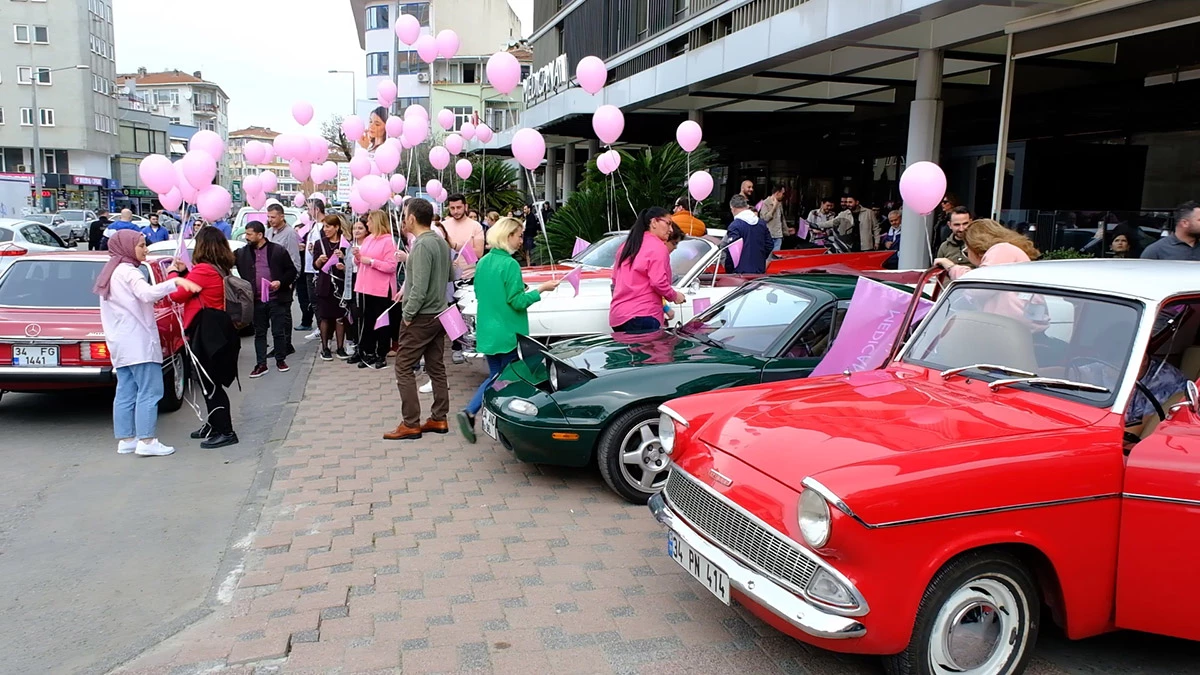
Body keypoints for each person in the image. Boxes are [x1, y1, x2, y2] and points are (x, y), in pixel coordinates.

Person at [94, 230, 200, 457]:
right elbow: (148, 294)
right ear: (127, 247)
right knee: (150, 391)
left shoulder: (111, 272)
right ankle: (147, 440)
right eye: (141, 245)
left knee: (126, 391)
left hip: (121, 343)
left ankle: (127, 438)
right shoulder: (130, 273)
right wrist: (176, 282)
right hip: (138, 342)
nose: (146, 249)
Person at [456, 217, 560, 442]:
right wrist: (541, 289)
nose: (521, 240)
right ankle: (473, 412)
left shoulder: (483, 261)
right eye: (518, 235)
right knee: (504, 379)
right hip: (508, 332)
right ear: (507, 236)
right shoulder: (510, 264)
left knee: (497, 377)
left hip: (488, 330)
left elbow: (485, 291)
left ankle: (487, 418)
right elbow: (517, 302)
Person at [385, 198, 453, 441]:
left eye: (405, 214)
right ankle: (439, 417)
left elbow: (419, 288)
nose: (403, 219)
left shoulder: (423, 245)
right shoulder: (440, 242)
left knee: (403, 367)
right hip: (439, 313)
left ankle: (411, 423)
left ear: (412, 217)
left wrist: (408, 315)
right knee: (436, 366)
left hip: (422, 315)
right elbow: (450, 275)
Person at [167, 226, 241, 449]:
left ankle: (226, 431)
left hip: (206, 329)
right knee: (209, 380)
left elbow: (177, 294)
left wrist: (172, 273)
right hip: (218, 327)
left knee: (210, 383)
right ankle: (213, 424)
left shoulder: (203, 270)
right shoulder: (219, 268)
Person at [235, 221, 298, 378]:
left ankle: (280, 360)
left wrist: (280, 282)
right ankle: (261, 364)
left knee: (278, 331)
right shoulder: (242, 253)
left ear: (260, 235)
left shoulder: (277, 251)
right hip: (256, 300)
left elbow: (292, 271)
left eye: (249, 234)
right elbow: (225, 260)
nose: (246, 237)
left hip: (276, 298)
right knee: (260, 333)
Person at [609, 207, 685, 334]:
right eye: (668, 223)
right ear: (654, 222)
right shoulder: (658, 247)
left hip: (618, 316)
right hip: (644, 315)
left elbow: (615, 281)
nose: (671, 230)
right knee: (653, 354)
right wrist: (674, 296)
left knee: (628, 353)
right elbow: (658, 282)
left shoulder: (627, 246)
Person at [351, 210, 399, 369]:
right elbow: (361, 262)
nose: (367, 224)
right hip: (366, 286)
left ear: (377, 222)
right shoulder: (369, 239)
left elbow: (391, 266)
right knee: (368, 320)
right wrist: (357, 257)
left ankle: (381, 353)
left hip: (382, 288)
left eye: (370, 221)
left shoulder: (388, 241)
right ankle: (369, 351)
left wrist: (371, 261)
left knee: (382, 322)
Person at [442, 194, 484, 364]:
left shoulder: (475, 226)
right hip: (449, 277)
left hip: (470, 276)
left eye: (459, 207)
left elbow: (479, 253)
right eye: (452, 208)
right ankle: (456, 347)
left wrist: (455, 245)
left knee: (469, 313)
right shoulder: (443, 225)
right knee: (451, 313)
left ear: (465, 206)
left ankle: (472, 343)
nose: (456, 211)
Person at [263, 205, 302, 344]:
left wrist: (290, 280)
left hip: (285, 279)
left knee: (284, 313)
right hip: (270, 280)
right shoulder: (268, 232)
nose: (270, 220)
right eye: (268, 217)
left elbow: (295, 260)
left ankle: (286, 343)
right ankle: (278, 344)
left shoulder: (290, 233)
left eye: (273, 217)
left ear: (282, 216)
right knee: (273, 314)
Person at [312, 214, 349, 361]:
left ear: (337, 227)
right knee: (325, 317)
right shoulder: (319, 243)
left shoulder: (345, 244)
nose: (325, 229)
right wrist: (320, 261)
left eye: (328, 226)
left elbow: (351, 265)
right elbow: (315, 266)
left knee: (340, 317)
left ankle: (340, 347)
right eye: (324, 227)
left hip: (340, 284)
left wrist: (344, 260)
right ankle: (325, 348)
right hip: (324, 284)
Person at [296, 200, 327, 334]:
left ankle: (323, 329)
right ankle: (321, 327)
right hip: (310, 266)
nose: (307, 212)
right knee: (313, 300)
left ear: (317, 210)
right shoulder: (313, 225)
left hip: (317, 269)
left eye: (309, 209)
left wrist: (316, 250)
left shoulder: (323, 226)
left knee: (317, 300)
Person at [724, 194, 774, 274]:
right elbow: (769, 245)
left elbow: (732, 252)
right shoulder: (761, 223)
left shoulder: (735, 226)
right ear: (746, 206)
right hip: (759, 270)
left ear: (732, 208)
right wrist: (760, 258)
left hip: (739, 273)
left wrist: (729, 269)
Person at [759, 184, 786, 251]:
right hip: (769, 234)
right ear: (777, 193)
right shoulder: (765, 203)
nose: (783, 195)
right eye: (783, 193)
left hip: (778, 235)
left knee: (775, 256)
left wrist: (786, 230)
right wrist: (774, 208)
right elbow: (764, 219)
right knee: (768, 257)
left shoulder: (780, 204)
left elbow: (782, 219)